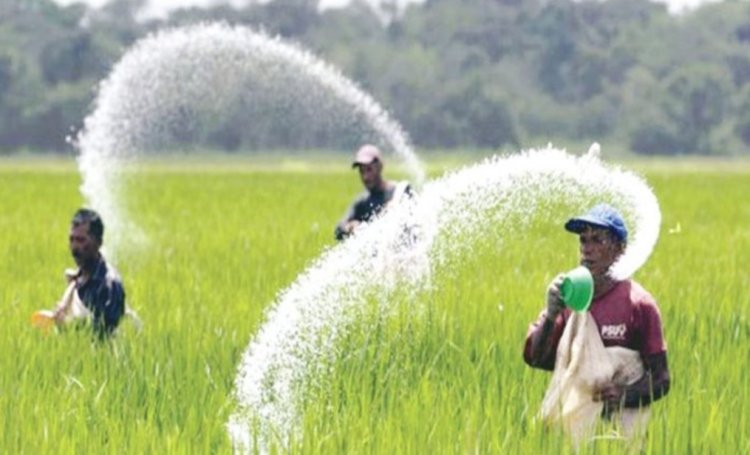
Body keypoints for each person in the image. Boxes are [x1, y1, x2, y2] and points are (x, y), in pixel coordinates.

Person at [523, 204, 670, 418]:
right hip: (572, 429)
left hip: (621, 433)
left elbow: (661, 379)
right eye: (583, 239)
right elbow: (537, 360)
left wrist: (624, 395)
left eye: (598, 240)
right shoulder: (568, 297)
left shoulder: (639, 305)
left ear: (620, 249)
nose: (587, 248)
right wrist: (551, 315)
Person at [53, 208, 126, 338]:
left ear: (98, 243)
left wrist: (66, 326)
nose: (74, 247)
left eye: (81, 240)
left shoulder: (109, 285)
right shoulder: (77, 279)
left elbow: (104, 337)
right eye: (72, 239)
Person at [334, 144, 411, 241]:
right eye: (361, 171)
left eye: (369, 170)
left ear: (380, 167)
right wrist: (351, 227)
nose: (365, 177)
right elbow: (338, 229)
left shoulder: (400, 191)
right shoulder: (362, 203)